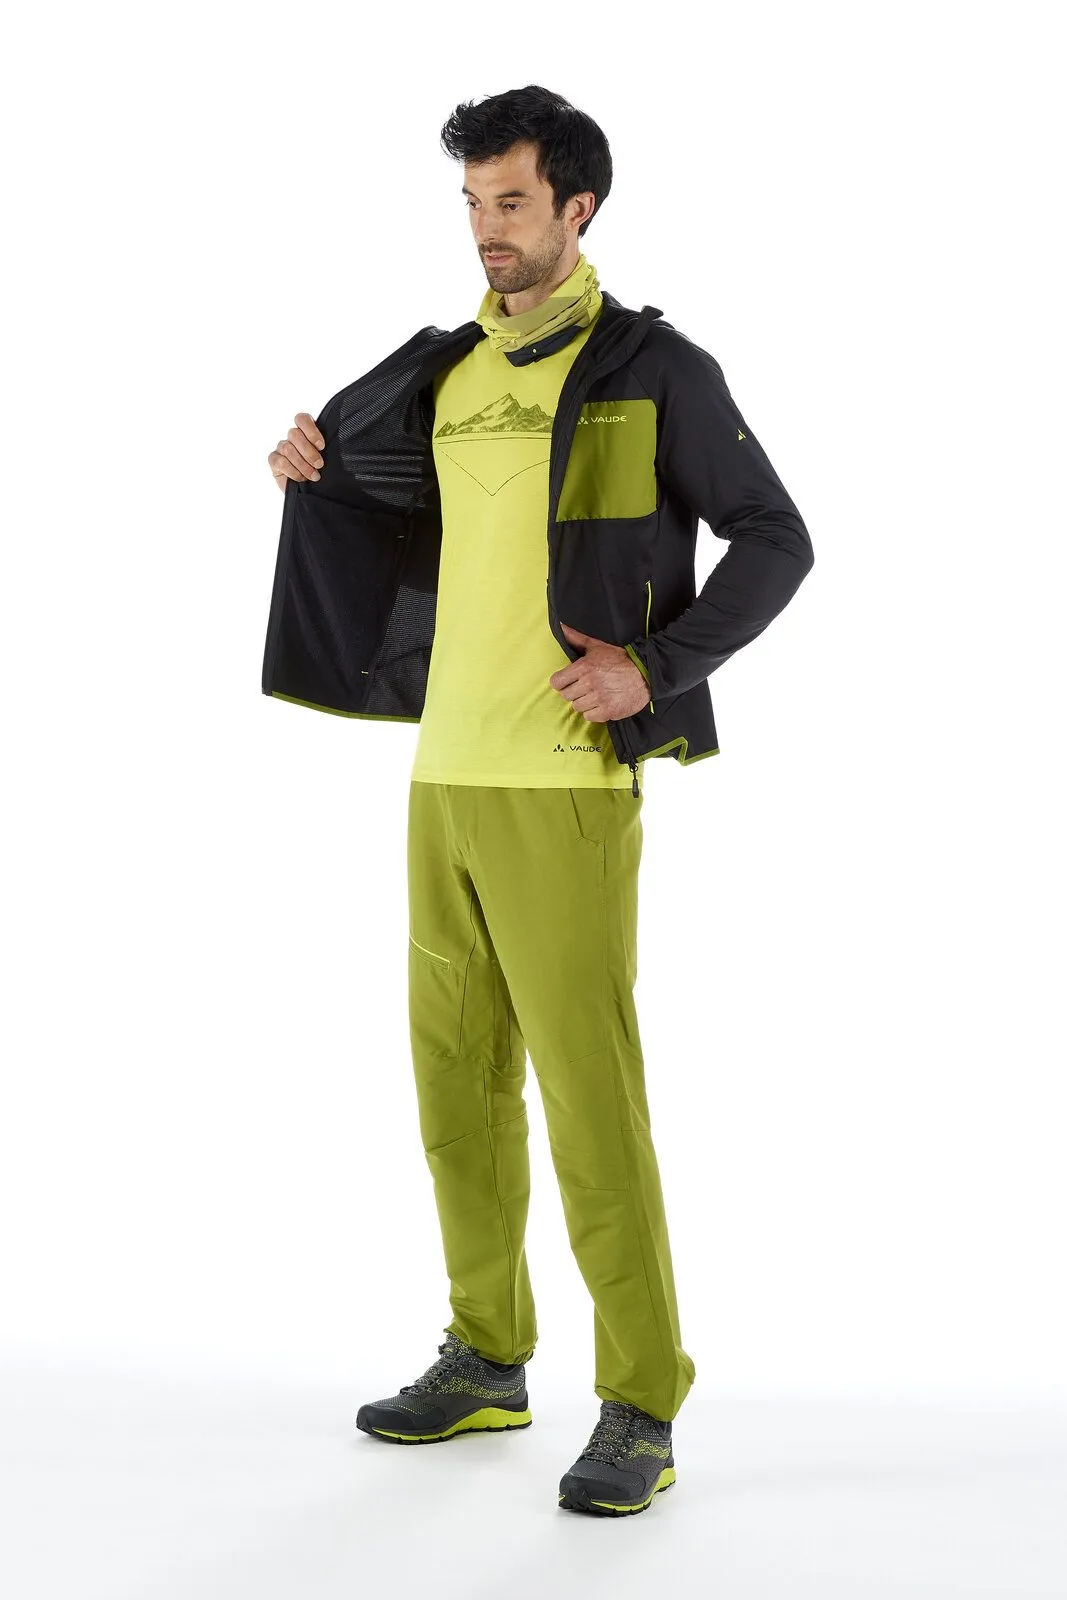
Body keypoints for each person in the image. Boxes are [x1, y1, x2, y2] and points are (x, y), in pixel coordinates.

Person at [264, 84, 813, 1518]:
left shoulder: (652, 367)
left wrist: (655, 668)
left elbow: (775, 537)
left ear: (579, 206)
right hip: (443, 772)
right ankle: (488, 1353)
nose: (486, 229)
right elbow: (392, 521)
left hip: (564, 781)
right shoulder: (441, 373)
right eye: (471, 202)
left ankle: (639, 1400)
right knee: (453, 1085)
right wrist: (311, 472)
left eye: (511, 202)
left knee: (588, 1094)